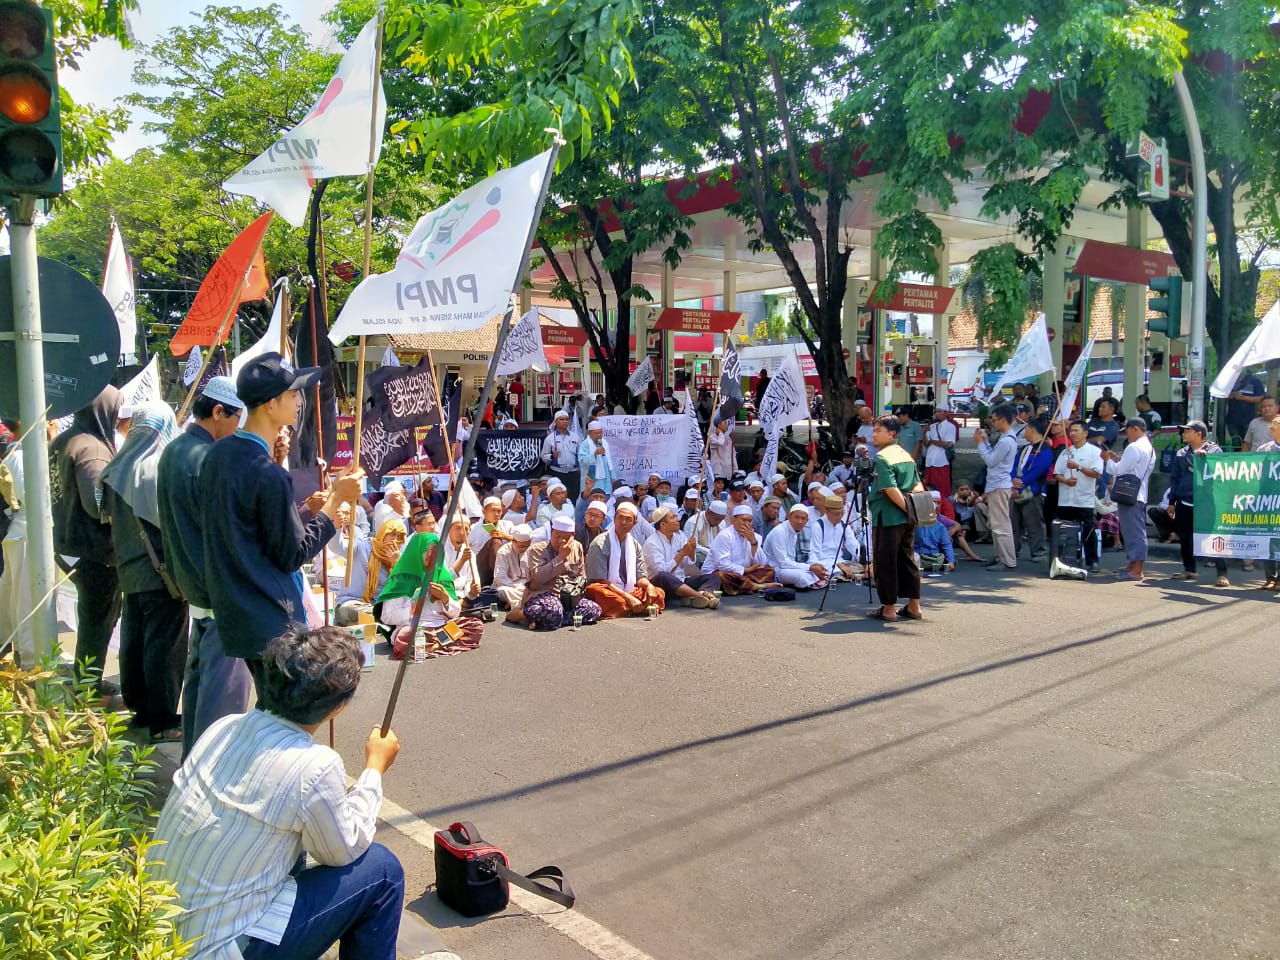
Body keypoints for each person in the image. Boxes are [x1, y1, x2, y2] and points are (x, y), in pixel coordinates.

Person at [153, 625, 404, 960]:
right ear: (338, 707)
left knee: (295, 843)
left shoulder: (224, 727)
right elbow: (344, 852)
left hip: (157, 934)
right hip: (220, 950)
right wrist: (374, 768)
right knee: (383, 871)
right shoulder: (315, 766)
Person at [200, 354, 362, 693]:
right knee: (282, 717)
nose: (299, 401)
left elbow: (250, 527)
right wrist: (335, 499)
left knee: (268, 714)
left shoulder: (217, 455)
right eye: (292, 394)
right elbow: (293, 553)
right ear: (270, 405)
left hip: (235, 610)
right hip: (270, 620)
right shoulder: (268, 474)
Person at [155, 376, 247, 753]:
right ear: (218, 411)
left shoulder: (174, 450)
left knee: (199, 683)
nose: (237, 428)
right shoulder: (206, 459)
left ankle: (192, 766)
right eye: (235, 419)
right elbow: (230, 531)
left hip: (191, 581)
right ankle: (207, 776)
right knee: (222, 698)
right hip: (216, 587)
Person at [99, 402, 188, 743]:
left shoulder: (116, 468)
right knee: (164, 648)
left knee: (134, 643)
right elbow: (171, 524)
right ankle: (163, 719)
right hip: (161, 573)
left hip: (130, 570)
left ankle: (141, 710)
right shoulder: (157, 468)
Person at [50, 384, 123, 698]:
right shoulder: (93, 450)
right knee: (98, 617)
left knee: (91, 615)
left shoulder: (64, 441)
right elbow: (99, 506)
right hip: (93, 551)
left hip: (66, 543)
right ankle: (88, 684)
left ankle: (86, 676)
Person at [867, 415, 923, 622]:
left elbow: (890, 489)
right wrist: (913, 508)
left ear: (892, 433)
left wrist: (906, 507)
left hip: (888, 516)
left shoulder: (882, 458)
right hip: (908, 517)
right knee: (907, 560)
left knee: (886, 562)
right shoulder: (905, 455)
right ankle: (914, 606)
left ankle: (889, 608)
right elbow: (917, 485)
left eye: (878, 431)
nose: (874, 434)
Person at [1165, 420, 1228, 586]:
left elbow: (1221, 472)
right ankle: (1189, 569)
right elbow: (1175, 478)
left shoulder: (1214, 450)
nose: (1183, 434)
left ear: (1199, 434)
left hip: (1207, 502)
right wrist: (1172, 501)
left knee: (1213, 536)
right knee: (1185, 537)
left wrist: (1206, 460)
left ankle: (1222, 573)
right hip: (1184, 500)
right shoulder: (1181, 453)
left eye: (1187, 431)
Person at [585, 502, 665, 617]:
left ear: (635, 523)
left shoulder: (635, 545)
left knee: (658, 592)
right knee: (596, 591)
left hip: (629, 588)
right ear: (614, 519)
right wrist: (628, 598)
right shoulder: (599, 543)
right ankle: (634, 606)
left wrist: (649, 586)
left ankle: (627, 608)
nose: (623, 522)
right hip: (608, 589)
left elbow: (640, 577)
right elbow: (600, 580)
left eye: (628, 519)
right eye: (620, 518)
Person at [522, 516, 602, 630]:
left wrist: (578, 592)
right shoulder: (537, 550)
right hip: (543, 595)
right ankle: (523, 614)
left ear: (573, 536)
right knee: (553, 609)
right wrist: (560, 557)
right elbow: (537, 578)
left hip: (568, 598)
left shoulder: (577, 546)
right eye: (557, 536)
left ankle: (552, 619)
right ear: (551, 532)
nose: (561, 541)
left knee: (594, 610)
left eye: (565, 538)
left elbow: (582, 574)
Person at [1103, 418, 1156, 580]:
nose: (1126, 434)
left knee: (1134, 531)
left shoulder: (1134, 447)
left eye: (1127, 430)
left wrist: (1108, 461)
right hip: (1139, 493)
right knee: (1133, 530)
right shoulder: (1149, 448)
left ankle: (1137, 568)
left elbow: (1119, 470)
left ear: (1135, 429)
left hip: (1130, 494)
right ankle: (1134, 564)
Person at [641, 506, 721, 607]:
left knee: (713, 577)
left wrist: (691, 551)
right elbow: (661, 571)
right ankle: (699, 596)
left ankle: (693, 596)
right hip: (662, 584)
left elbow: (686, 564)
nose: (678, 519)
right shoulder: (652, 543)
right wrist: (682, 553)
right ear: (663, 524)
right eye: (673, 517)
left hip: (680, 581)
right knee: (664, 576)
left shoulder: (679, 536)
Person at [1053, 420, 1104, 571]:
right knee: (1065, 531)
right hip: (1066, 499)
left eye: (1076, 430)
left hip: (1084, 499)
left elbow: (1096, 473)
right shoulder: (1065, 451)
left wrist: (1078, 467)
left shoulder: (1094, 452)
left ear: (1085, 433)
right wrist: (1066, 481)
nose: (1073, 433)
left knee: (1088, 532)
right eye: (1071, 431)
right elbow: (1057, 474)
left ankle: (1092, 561)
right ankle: (1065, 559)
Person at [334, 519, 405, 626]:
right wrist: (337, 527)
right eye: (392, 535)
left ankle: (374, 622)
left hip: (381, 606)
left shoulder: (400, 558)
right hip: (353, 603)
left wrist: (396, 566)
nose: (395, 540)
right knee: (349, 610)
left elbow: (401, 592)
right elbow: (337, 547)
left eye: (399, 537)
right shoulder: (362, 547)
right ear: (382, 534)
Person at [976, 403, 1018, 570]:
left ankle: (1007, 560)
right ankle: (1001, 556)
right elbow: (993, 457)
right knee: (997, 523)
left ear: (1002, 420)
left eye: (994, 420)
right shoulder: (1006, 438)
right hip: (997, 485)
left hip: (999, 485)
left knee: (1001, 525)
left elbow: (991, 461)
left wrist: (980, 443)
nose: (992, 423)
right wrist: (984, 442)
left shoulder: (1006, 440)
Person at [705, 503, 779, 595]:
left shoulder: (754, 537)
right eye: (744, 520)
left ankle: (745, 586)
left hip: (742, 575)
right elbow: (722, 564)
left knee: (770, 571)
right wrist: (746, 570)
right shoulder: (725, 536)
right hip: (720, 573)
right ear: (734, 520)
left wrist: (753, 543)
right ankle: (757, 586)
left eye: (749, 521)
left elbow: (762, 563)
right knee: (722, 576)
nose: (747, 524)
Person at [1009, 418, 1054, 562]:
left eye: (1026, 429)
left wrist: (1021, 482)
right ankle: (1012, 550)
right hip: (1017, 488)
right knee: (1014, 522)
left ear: (1033, 430)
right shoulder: (1024, 448)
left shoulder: (1045, 450)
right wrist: (1013, 478)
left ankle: (1038, 551)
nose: (1024, 432)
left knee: (1034, 522)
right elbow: (1014, 464)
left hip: (1033, 490)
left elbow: (1039, 469)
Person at [764, 503, 825, 588]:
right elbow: (783, 563)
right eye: (796, 517)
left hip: (792, 567)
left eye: (803, 518)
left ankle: (814, 580)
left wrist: (816, 565)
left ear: (807, 521)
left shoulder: (800, 531)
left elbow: (810, 553)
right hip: (776, 570)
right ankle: (814, 581)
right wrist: (810, 567)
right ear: (789, 516)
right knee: (802, 577)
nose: (799, 521)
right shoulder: (779, 532)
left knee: (823, 569)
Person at [1253, 415, 1280, 590]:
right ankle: (1270, 577)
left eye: (1276, 424)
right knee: (1269, 540)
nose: (1273, 427)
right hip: (1268, 501)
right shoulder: (1264, 449)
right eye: (1273, 425)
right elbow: (1254, 472)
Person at [493, 523, 534, 621]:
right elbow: (500, 577)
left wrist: (528, 586)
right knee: (500, 591)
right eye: (522, 546)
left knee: (537, 590)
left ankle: (515, 603)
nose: (524, 549)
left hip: (526, 586)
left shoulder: (532, 549)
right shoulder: (503, 552)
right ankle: (524, 603)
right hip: (509, 586)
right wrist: (515, 586)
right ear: (514, 541)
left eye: (527, 546)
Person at [540, 410, 581, 499]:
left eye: (566, 419)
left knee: (574, 497)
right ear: (556, 422)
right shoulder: (550, 438)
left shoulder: (575, 437)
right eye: (561, 419)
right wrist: (551, 456)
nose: (564, 421)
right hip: (557, 473)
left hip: (573, 474)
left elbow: (580, 455)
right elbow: (543, 456)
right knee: (558, 497)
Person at [922, 405, 958, 498]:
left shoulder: (951, 427)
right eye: (936, 412)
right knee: (930, 488)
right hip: (930, 460)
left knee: (942, 489)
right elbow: (926, 444)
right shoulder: (932, 426)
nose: (936, 414)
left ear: (945, 413)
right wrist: (924, 433)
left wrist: (932, 441)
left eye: (939, 411)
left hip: (941, 461)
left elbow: (947, 444)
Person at [1226, 368, 1266, 442]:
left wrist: (1243, 398)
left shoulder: (1255, 381)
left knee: (1248, 443)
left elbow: (1261, 398)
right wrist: (1231, 395)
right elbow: (1223, 395)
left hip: (1248, 419)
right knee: (1236, 445)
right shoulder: (1231, 381)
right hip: (1232, 419)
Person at [577, 419, 615, 493]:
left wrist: (613, 477)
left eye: (600, 432)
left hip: (606, 480)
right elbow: (582, 460)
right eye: (596, 433)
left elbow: (609, 461)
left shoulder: (604, 442)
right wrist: (594, 454)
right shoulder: (585, 444)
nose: (599, 435)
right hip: (593, 479)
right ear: (589, 433)